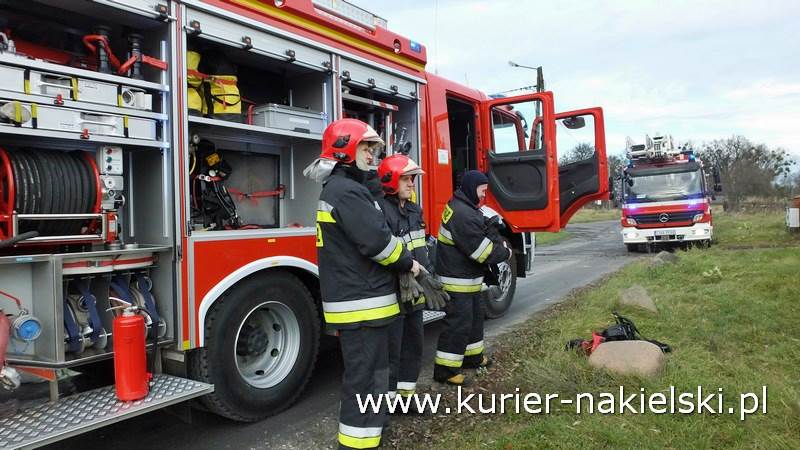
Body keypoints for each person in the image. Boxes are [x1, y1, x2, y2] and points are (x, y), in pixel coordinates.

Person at [307, 119, 420, 450]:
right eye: (366, 148)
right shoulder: (345, 192)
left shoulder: (350, 189)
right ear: (344, 149)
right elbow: (378, 242)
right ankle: (356, 444)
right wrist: (409, 263)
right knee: (363, 380)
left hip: (367, 302)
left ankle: (373, 432)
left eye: (375, 149)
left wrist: (370, 182)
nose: (373, 155)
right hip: (362, 304)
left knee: (375, 375)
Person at [433, 170, 512, 386]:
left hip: (468, 280)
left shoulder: (464, 207)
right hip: (457, 281)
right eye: (482, 191)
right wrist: (506, 252)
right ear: (471, 188)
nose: (484, 196)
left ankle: (472, 358)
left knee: (474, 321)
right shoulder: (463, 214)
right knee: (457, 325)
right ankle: (445, 370)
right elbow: (482, 253)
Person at [377, 154, 431, 404]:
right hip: (393, 292)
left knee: (414, 346)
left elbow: (421, 249)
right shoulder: (380, 211)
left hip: (415, 290)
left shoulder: (414, 210)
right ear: (390, 181)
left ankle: (406, 399)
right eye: (406, 179)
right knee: (392, 352)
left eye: (412, 179)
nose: (412, 184)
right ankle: (387, 403)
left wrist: (429, 279)